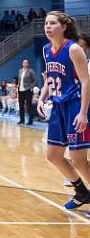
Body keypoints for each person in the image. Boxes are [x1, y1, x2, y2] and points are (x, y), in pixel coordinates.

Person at [36, 11, 90, 210]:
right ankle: (82, 192)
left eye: (52, 23)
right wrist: (42, 97)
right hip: (58, 107)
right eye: (45, 24)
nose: (47, 27)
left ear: (64, 27)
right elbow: (50, 80)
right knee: (53, 155)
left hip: (74, 106)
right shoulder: (45, 50)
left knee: (78, 159)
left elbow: (86, 81)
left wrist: (83, 112)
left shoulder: (74, 49)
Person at [17, 58, 37, 125]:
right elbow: (19, 80)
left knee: (29, 106)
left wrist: (31, 87)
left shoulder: (31, 71)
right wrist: (18, 85)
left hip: (27, 90)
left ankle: (30, 120)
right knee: (21, 106)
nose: (24, 64)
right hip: (20, 90)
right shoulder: (20, 71)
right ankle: (21, 120)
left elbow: (35, 80)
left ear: (28, 64)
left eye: (26, 62)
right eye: (23, 62)